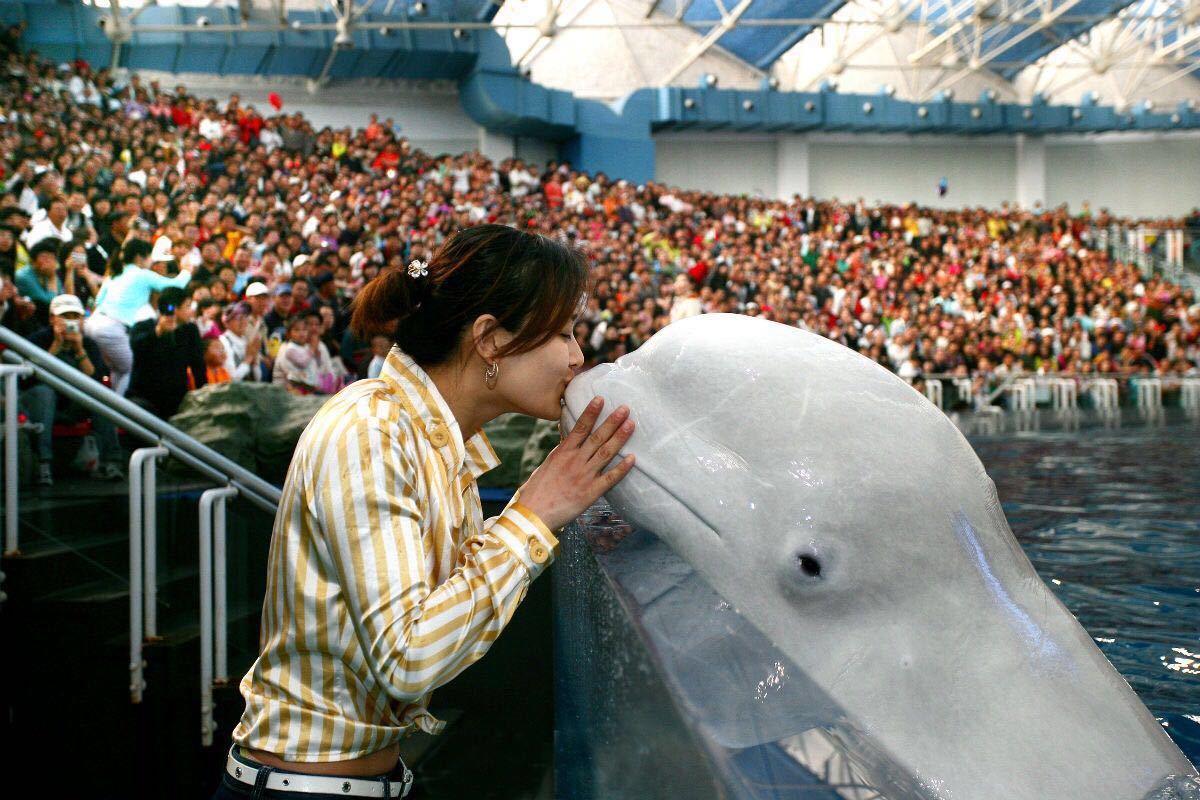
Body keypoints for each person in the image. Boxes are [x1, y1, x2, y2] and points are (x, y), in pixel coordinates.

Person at [220, 224, 637, 799]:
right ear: (489, 338)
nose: (576, 356)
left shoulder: (434, 438)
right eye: (563, 333)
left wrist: (548, 515)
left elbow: (444, 598)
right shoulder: (371, 429)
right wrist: (532, 516)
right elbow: (409, 655)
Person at [21, 294, 124, 485]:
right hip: (42, 404)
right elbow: (27, 380)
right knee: (45, 392)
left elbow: (95, 382)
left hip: (74, 404)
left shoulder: (88, 343)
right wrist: (55, 347)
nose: (70, 321)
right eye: (65, 316)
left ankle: (111, 461)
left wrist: (79, 351)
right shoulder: (37, 340)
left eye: (75, 316)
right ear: (52, 318)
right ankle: (44, 464)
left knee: (102, 397)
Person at [85, 238, 193, 396]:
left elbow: (98, 301)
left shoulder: (114, 274)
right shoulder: (142, 274)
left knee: (118, 370)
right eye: (149, 257)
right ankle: (119, 413)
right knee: (132, 368)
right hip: (111, 329)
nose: (150, 262)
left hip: (93, 324)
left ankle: (111, 409)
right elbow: (174, 286)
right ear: (139, 258)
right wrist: (187, 271)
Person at [127, 287, 207, 418]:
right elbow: (137, 348)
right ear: (174, 308)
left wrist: (203, 396)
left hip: (176, 400)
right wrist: (158, 332)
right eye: (187, 306)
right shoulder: (144, 326)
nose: (191, 311)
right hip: (145, 399)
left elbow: (198, 366)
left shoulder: (190, 330)